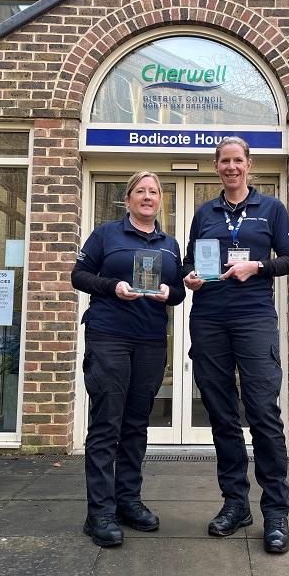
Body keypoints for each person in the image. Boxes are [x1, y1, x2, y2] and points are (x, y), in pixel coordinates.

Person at [182, 137, 289, 553]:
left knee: (264, 412)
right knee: (222, 415)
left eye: (238, 161)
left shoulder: (272, 210)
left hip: (253, 320)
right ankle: (235, 504)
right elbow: (189, 264)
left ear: (248, 166)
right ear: (217, 168)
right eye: (224, 161)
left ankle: (276, 512)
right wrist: (190, 278)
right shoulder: (203, 213)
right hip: (210, 319)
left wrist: (257, 266)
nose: (231, 167)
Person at [71, 171, 185, 547]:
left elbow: (179, 293)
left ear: (160, 201)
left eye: (154, 192)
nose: (148, 197)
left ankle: (128, 501)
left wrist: (169, 291)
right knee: (107, 423)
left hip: (151, 341)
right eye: (141, 191)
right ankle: (99, 513)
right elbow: (79, 275)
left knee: (136, 425)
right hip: (109, 337)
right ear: (128, 199)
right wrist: (112, 287)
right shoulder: (106, 234)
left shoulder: (170, 245)